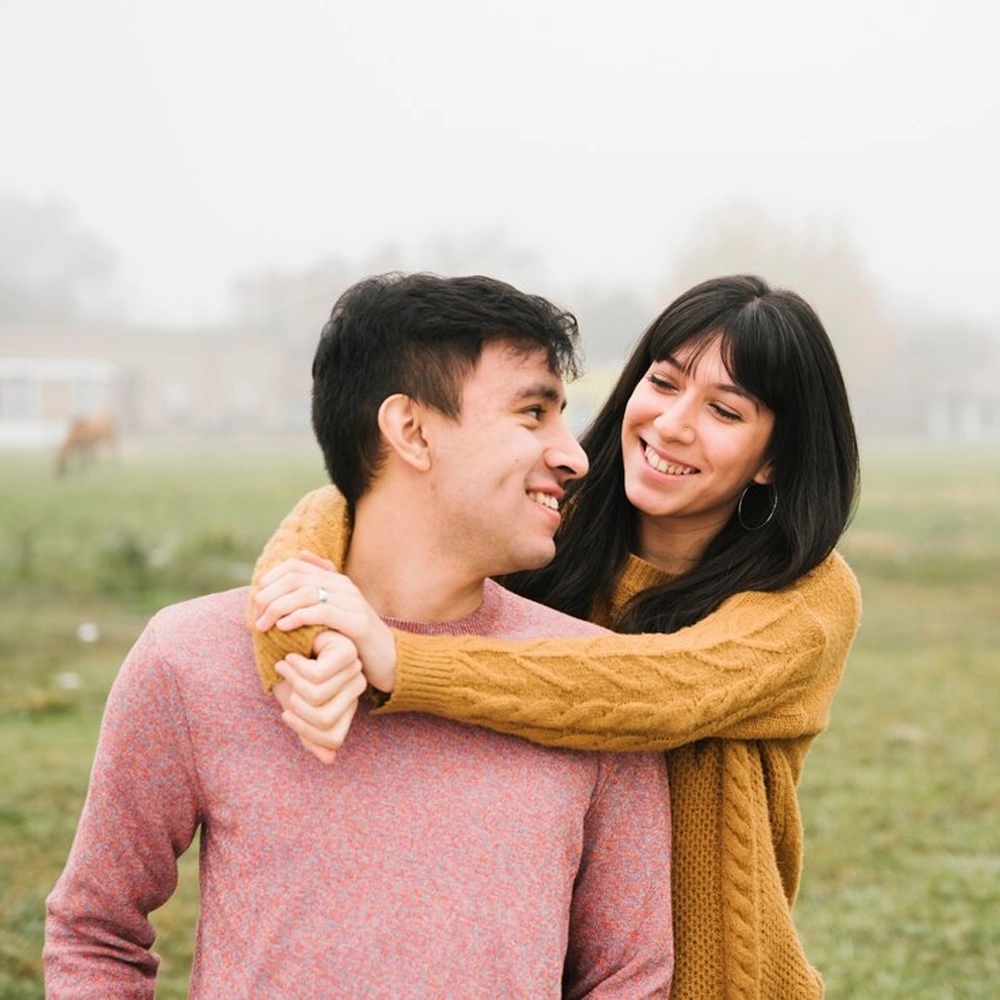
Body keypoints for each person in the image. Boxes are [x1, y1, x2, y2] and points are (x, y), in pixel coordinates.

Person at [45, 273, 674, 997]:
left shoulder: (599, 686)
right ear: (410, 430)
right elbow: (96, 932)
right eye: (533, 413)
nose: (575, 456)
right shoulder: (191, 659)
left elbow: (630, 977)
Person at [250, 273, 862, 999]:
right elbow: (355, 507)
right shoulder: (543, 529)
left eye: (724, 411)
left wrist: (401, 661)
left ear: (772, 460)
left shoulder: (807, 594)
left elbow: (661, 692)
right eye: (662, 384)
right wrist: (307, 657)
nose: (671, 423)